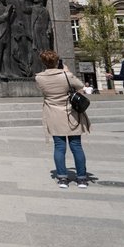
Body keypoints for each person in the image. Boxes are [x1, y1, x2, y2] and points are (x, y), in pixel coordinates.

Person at [35, 50, 91, 188]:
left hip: (53, 114)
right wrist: (66, 71)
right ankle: (81, 178)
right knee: (76, 146)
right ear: (57, 61)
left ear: (43, 63)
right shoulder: (66, 75)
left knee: (59, 147)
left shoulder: (39, 77)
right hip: (70, 114)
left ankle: (62, 178)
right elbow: (80, 85)